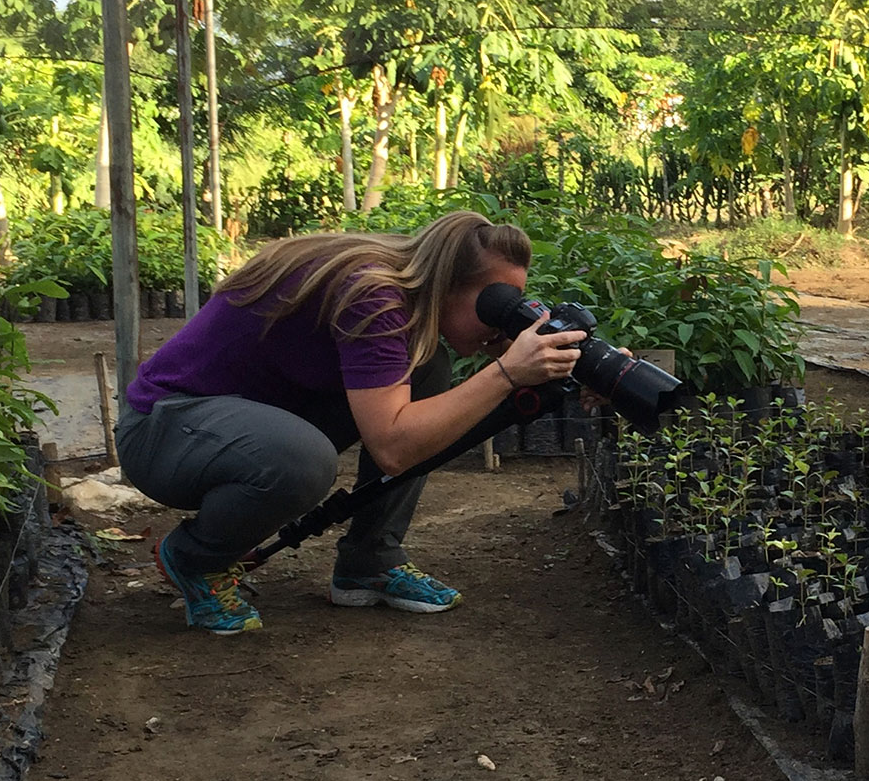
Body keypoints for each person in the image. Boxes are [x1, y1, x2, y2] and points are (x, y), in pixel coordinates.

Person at [115, 211, 584, 634]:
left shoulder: (403, 292)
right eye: (495, 303)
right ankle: (196, 558)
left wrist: (571, 368)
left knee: (429, 369)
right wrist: (505, 374)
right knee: (303, 461)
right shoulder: (374, 297)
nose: (500, 321)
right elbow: (394, 447)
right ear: (448, 283)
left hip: (237, 420)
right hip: (165, 431)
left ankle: (370, 560)